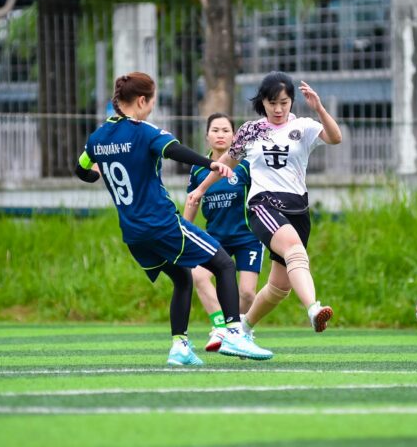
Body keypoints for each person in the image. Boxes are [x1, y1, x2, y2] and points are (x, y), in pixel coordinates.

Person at [75, 72, 273, 366]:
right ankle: (233, 331)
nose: (152, 107)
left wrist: (97, 175)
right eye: (152, 101)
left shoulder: (97, 137)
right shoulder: (144, 131)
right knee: (223, 263)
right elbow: (175, 152)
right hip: (162, 223)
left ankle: (179, 345)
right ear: (141, 100)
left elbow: (80, 170)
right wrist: (212, 164)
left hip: (133, 234)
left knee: (182, 278)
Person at [187, 71, 343, 340]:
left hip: (297, 209)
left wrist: (319, 108)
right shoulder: (251, 130)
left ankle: (243, 329)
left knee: (279, 287)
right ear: (263, 102)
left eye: (284, 102)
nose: (278, 108)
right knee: (295, 250)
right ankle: (313, 310)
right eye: (272, 103)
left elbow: (335, 137)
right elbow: (227, 161)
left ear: (292, 100)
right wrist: (201, 188)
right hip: (264, 204)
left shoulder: (304, 127)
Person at [183, 113, 264, 352]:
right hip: (215, 238)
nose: (220, 134)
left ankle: (238, 334)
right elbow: (192, 200)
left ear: (234, 136)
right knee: (198, 275)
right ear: (207, 136)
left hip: (247, 237)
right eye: (215, 130)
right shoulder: (198, 170)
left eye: (226, 130)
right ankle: (220, 326)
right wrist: (184, 236)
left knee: (248, 294)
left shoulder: (246, 165)